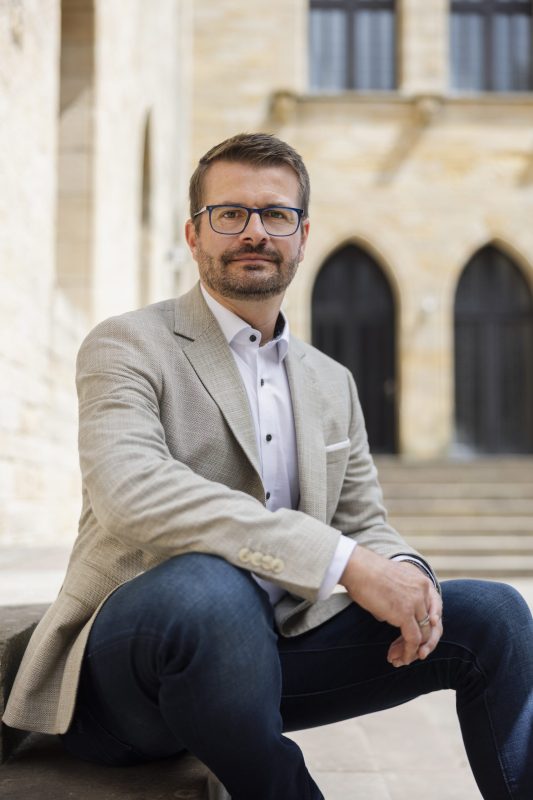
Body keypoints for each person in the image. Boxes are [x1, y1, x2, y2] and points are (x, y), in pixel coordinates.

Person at [3, 133, 532, 800]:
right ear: (194, 236)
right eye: (230, 213)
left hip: (275, 656)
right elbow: (132, 492)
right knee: (208, 585)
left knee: (496, 615)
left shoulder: (331, 382)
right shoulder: (128, 343)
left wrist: (405, 578)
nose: (254, 231)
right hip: (129, 676)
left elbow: (364, 519)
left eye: (275, 214)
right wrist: (342, 564)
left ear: (302, 236)